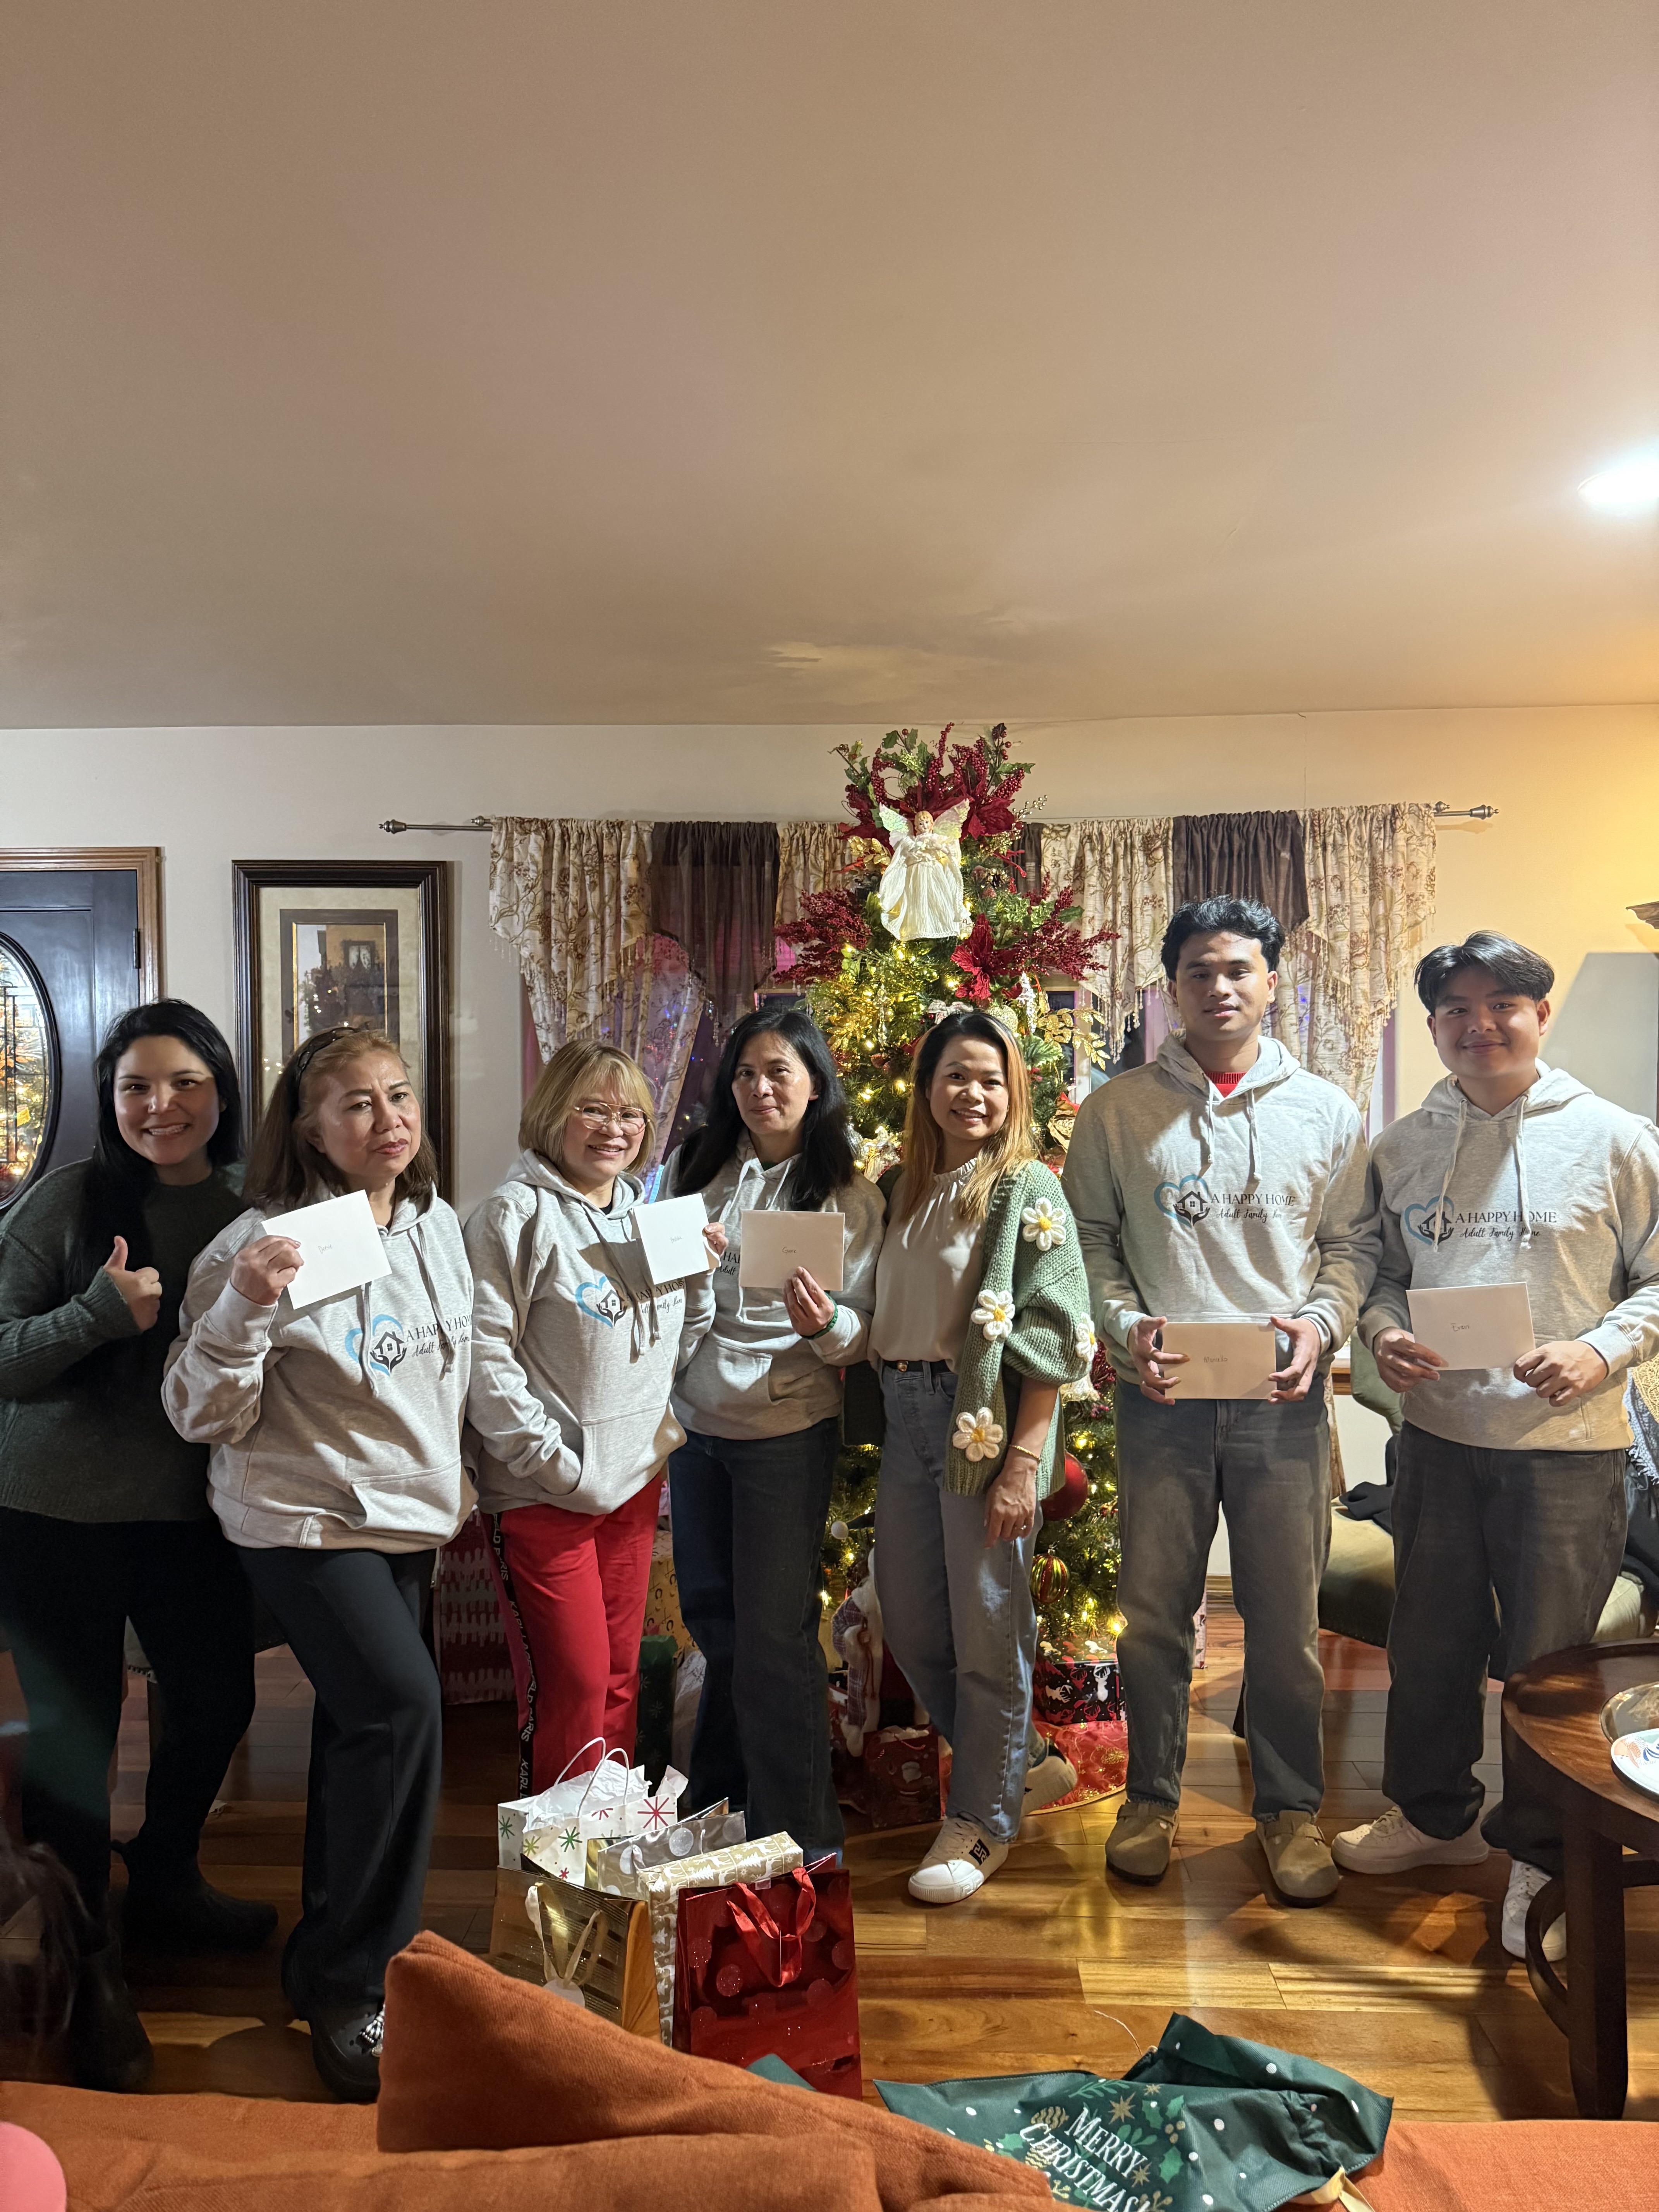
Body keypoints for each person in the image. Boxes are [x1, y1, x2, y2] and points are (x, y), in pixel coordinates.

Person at [1333, 934, 1659, 1960]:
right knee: (1426, 1641)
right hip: (1435, 1443)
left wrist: (1599, 1350)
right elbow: (1375, 1277)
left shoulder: (1618, 1140)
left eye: (1501, 1005)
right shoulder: (1398, 1147)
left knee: (1545, 1665)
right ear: (1431, 1027)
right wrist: (1382, 1333)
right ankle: (1432, 1818)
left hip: (1567, 1447)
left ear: (1539, 1013)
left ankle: (1543, 1856)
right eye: (1455, 1011)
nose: (1479, 1026)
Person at [164, 1027, 472, 2100]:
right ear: (306, 1127)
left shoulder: (435, 1224)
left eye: (399, 1096)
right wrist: (246, 1303)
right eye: (354, 1104)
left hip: (408, 1520)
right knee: (402, 1711)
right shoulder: (263, 1245)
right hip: (304, 1524)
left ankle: (321, 1963)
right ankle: (355, 1987)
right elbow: (199, 1411)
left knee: (360, 1738)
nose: (387, 1118)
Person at [1062, 896, 1378, 1904]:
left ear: (1270, 981)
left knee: (1283, 1623)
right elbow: (1090, 1246)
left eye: (1238, 969)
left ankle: (1289, 1814)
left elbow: (1351, 1252)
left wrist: (1321, 1327)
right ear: (1172, 988)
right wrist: (1125, 1331)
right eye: (1198, 971)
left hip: (1283, 1407)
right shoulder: (1117, 1113)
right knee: (1154, 1616)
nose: (1219, 988)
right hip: (1160, 1402)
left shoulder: (1327, 1113)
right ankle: (1150, 1798)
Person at [0, 1000, 272, 2094]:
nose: (163, 1107)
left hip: (191, 1513)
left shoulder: (254, 1205)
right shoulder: (69, 1199)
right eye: (136, 1088)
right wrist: (97, 1316)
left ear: (221, 1089)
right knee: (79, 1737)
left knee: (215, 1699)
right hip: (49, 1514)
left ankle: (161, 1875)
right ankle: (88, 1956)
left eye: (186, 1083)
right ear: (108, 1103)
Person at [869, 1007, 1093, 1904]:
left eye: (992, 1079)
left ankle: (984, 1821)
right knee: (915, 1620)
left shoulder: (1027, 1187)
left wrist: (1022, 1466)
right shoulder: (903, 1188)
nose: (975, 1093)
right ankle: (1026, 1761)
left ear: (1014, 1094)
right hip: (903, 1415)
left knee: (990, 1632)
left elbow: (1052, 1332)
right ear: (928, 1087)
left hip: (982, 1423)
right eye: (958, 1075)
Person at [661, 1007, 884, 1863]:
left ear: (816, 1085)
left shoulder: (848, 1196)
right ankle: (723, 1804)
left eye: (779, 1073)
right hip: (696, 1428)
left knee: (775, 1634)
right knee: (715, 1622)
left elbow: (861, 1333)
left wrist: (826, 1324)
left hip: (787, 1431)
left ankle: (802, 1838)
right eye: (746, 1074)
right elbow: (655, 1270)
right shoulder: (693, 1168)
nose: (759, 1090)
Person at [465, 1040, 717, 1793]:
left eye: (632, 1114)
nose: (616, 1128)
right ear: (553, 1115)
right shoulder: (514, 1216)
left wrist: (699, 1278)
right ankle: (551, 1874)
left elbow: (678, 1343)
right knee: (569, 1691)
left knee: (617, 1682)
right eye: (594, 1109)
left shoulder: (648, 1217)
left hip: (632, 1486)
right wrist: (554, 1462)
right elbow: (484, 1354)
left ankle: (602, 1854)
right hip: (546, 1496)